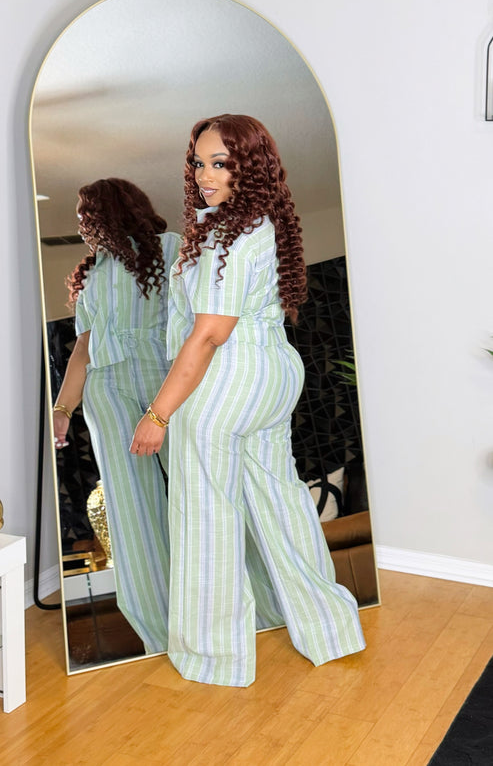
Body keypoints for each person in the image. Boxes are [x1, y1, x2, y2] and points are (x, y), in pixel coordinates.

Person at [130, 115, 366, 687]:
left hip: (226, 378)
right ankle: (331, 630)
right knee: (282, 502)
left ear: (249, 166)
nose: (204, 175)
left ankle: (215, 657)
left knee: (205, 512)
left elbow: (209, 333)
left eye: (220, 163)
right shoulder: (262, 224)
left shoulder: (225, 236)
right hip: (272, 373)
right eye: (199, 162)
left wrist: (158, 413)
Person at [52, 177, 180, 654]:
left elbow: (195, 324)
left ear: (115, 209)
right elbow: (82, 350)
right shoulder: (91, 275)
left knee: (195, 485)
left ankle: (222, 606)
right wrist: (63, 409)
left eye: (87, 213)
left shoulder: (170, 248)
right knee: (130, 510)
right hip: (106, 389)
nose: (81, 224)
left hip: (161, 377)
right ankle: (159, 632)